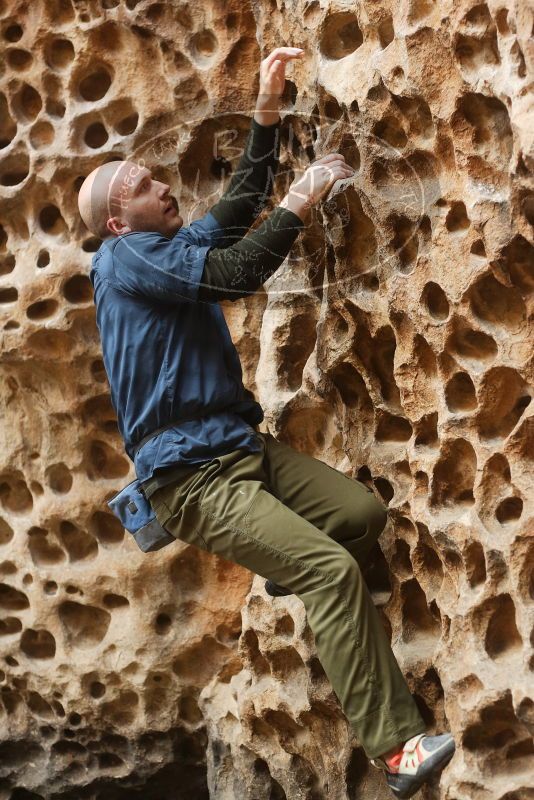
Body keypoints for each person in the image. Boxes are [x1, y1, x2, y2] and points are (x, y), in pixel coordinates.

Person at [78, 45, 455, 799]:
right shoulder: (124, 265)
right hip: (191, 480)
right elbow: (240, 271)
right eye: (142, 185)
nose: (159, 182)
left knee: (361, 514)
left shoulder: (165, 247)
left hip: (238, 450)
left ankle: (297, 574)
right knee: (331, 569)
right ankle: (399, 753)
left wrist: (267, 111)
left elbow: (240, 204)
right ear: (118, 221)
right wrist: (306, 196)